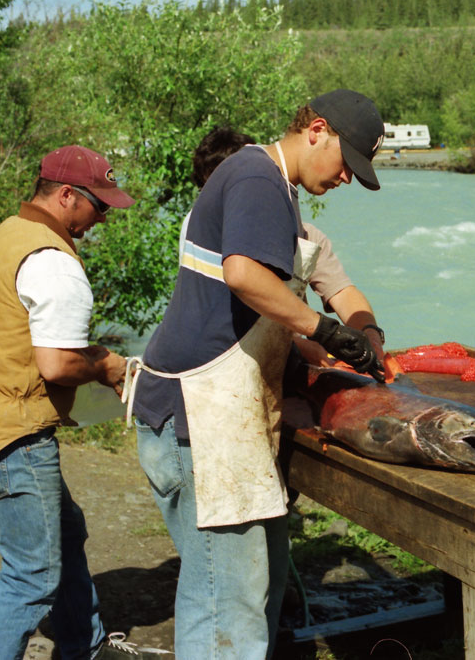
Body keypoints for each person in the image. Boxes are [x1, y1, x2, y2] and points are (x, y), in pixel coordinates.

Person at [125, 90, 387, 658]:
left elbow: (330, 288)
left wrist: (365, 333)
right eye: (347, 163)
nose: (346, 178)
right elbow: (243, 274)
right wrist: (323, 331)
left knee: (251, 589)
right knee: (227, 605)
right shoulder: (255, 175)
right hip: (198, 418)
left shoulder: (279, 189)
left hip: (223, 419)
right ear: (317, 130)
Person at [0, 147, 159, 658]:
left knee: (66, 529)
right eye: (98, 206)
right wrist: (104, 366)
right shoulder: (54, 262)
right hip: (17, 439)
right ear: (65, 196)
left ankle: (85, 644)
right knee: (30, 577)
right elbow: (56, 365)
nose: (101, 219)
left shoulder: (1, 237)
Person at [189, 126, 386, 365]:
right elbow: (240, 278)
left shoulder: (306, 236)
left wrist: (370, 334)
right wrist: (320, 334)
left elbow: (342, 292)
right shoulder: (212, 225)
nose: (347, 178)